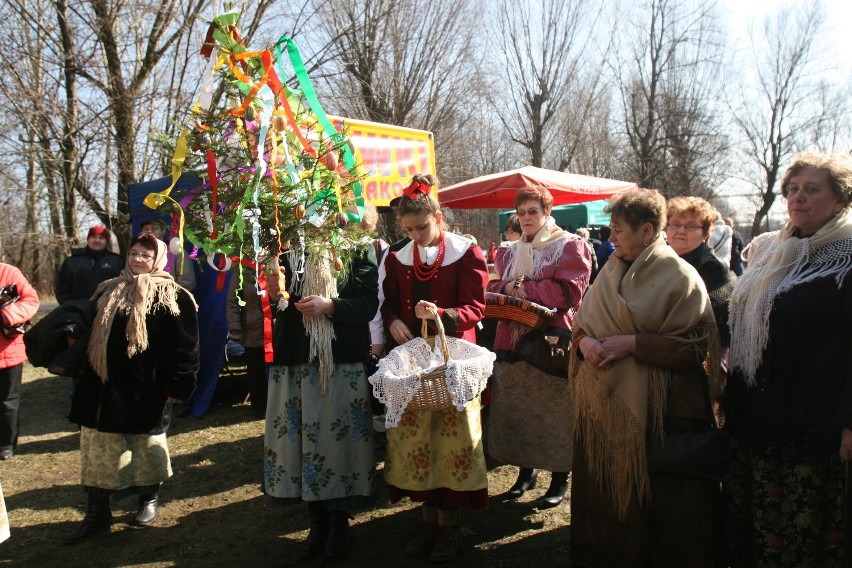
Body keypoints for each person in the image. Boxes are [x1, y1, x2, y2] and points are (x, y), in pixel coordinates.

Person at [569, 189, 723, 567]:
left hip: (659, 419)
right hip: (603, 414)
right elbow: (582, 326)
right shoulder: (609, 270)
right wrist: (586, 343)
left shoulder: (680, 277)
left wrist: (635, 343)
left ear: (648, 230)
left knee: (653, 512)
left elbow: (694, 347)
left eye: (618, 230)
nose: (611, 239)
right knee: (603, 502)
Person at [723, 152, 852, 568]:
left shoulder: (847, 258)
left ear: (840, 200)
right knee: (751, 522)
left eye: (812, 189)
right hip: (754, 414)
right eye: (793, 189)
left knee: (801, 529)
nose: (798, 197)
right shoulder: (772, 251)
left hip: (813, 423)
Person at [381, 175, 489, 562]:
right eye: (408, 230)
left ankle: (450, 525)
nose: (416, 236)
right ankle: (428, 519)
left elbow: (478, 307)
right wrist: (393, 319)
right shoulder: (398, 258)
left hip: (453, 361)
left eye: (422, 227)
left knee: (451, 441)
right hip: (414, 366)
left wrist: (444, 315)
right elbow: (389, 302)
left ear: (438, 218)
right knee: (419, 442)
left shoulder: (466, 254)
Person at [64, 234, 199, 545]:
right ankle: (97, 513)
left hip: (145, 387)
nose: (138, 260)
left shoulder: (174, 296)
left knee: (144, 448)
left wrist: (180, 384)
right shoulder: (108, 290)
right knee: (98, 450)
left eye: (146, 256)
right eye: (134, 253)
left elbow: (187, 346)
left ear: (159, 260)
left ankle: (147, 499)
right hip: (102, 385)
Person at [263, 244, 379, 560]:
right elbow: (278, 309)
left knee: (336, 444)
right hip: (295, 361)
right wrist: (276, 296)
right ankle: (317, 521)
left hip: (339, 361)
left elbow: (368, 305)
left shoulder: (355, 245)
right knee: (303, 443)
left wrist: (330, 306)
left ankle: (340, 521)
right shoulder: (283, 246)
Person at [486, 186, 592, 509]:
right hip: (511, 340)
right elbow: (492, 284)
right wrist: (510, 287)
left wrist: (519, 287)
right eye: (522, 212)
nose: (527, 217)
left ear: (547, 212)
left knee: (554, 410)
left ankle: (559, 478)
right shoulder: (507, 251)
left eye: (534, 211)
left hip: (550, 344)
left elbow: (567, 293)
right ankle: (525, 473)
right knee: (519, 411)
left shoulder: (570, 246)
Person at [667, 196, 735, 346]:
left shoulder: (713, 267)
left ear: (705, 234)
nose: (681, 231)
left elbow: (708, 323)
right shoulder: (660, 260)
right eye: (675, 224)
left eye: (690, 226)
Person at [0, 264, 39, 460]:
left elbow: (31, 300)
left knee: (8, 401)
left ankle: (6, 443)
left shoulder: (9, 272)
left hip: (8, 351)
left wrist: (6, 314)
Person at [225, 267, 268, 415]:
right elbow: (232, 302)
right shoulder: (241, 270)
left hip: (275, 331)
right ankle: (260, 407)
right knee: (256, 372)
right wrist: (235, 328)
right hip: (252, 332)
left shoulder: (277, 264)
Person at [55, 226, 124, 304]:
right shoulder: (72, 261)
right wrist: (70, 306)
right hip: (78, 310)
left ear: (106, 241)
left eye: (101, 238)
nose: (97, 240)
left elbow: (124, 287)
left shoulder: (117, 261)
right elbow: (61, 289)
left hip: (108, 310)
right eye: (94, 237)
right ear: (88, 239)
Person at [139, 219, 196, 291]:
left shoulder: (176, 252)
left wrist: (166, 297)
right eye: (146, 229)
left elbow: (187, 283)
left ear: (163, 231)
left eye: (154, 228)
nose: (149, 231)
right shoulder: (136, 255)